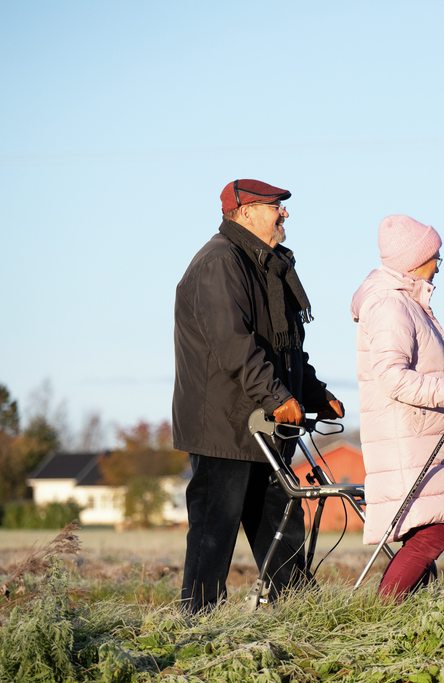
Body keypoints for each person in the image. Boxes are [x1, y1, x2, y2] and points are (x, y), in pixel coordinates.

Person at [173, 178, 344, 612]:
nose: (283, 214)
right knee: (214, 533)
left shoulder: (268, 267)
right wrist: (275, 396)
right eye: (275, 207)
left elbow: (286, 348)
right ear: (245, 212)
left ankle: (298, 614)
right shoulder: (219, 262)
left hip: (264, 427)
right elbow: (234, 344)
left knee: (281, 524)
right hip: (224, 429)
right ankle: (197, 624)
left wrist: (315, 394)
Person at [350, 214, 444, 600]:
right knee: (431, 535)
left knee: (427, 536)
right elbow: (392, 376)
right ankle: (382, 614)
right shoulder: (390, 306)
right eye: (436, 255)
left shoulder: (409, 304)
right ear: (414, 259)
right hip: (407, 441)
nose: (439, 264)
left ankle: (397, 618)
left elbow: (435, 370)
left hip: (417, 437)